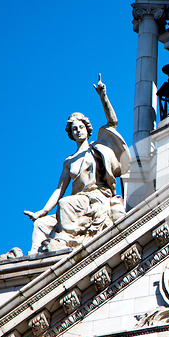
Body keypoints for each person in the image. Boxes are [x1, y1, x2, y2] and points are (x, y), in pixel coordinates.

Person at [24, 75, 130, 253]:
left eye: (80, 127)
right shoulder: (69, 161)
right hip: (78, 201)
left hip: (96, 197)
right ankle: (36, 259)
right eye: (74, 129)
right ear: (71, 134)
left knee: (66, 204)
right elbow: (59, 189)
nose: (77, 130)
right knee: (41, 225)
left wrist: (103, 96)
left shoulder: (98, 148)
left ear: (87, 129)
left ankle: (65, 240)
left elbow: (113, 122)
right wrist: (42, 211)